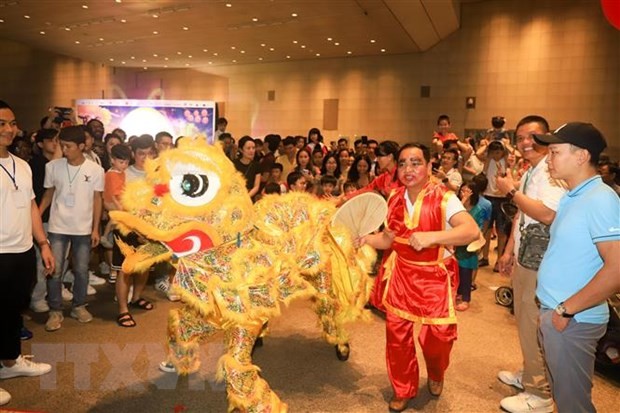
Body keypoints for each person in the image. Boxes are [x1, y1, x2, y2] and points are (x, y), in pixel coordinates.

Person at [357, 143, 479, 412]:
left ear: (428, 166)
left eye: (415, 162)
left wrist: (433, 237)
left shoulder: (445, 198)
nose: (408, 169)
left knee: (438, 338)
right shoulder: (394, 199)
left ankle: (436, 372)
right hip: (401, 273)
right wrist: (365, 239)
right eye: (402, 164)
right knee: (397, 336)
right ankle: (403, 388)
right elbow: (388, 239)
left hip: (435, 276)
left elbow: (470, 230)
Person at [533, 122, 620, 413]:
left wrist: (565, 309)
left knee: (573, 404)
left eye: (555, 152)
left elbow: (617, 269)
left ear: (582, 156)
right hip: (559, 315)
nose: (548, 159)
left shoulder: (601, 200)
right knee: (564, 394)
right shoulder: (574, 196)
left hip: (573, 319)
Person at [495, 115, 566, 413]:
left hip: (541, 261)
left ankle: (539, 394)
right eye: (520, 137)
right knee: (523, 320)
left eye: (533, 136)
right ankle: (529, 375)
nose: (525, 142)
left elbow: (547, 214)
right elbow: (521, 216)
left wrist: (510, 191)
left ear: (547, 138)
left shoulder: (552, 173)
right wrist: (509, 250)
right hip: (526, 256)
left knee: (532, 322)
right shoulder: (531, 171)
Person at [0, 101, 55, 406]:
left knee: (12, 310)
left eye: (12, 123)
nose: (9, 129)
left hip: (21, 250)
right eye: (1, 123)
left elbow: (33, 205)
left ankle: (10, 362)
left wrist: (43, 243)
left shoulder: (21, 164)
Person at [233, 136, 261, 201]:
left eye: (253, 148)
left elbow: (256, 186)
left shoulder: (256, 165)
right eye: (248, 148)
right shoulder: (233, 164)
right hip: (235, 198)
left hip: (249, 198)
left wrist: (246, 197)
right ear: (241, 150)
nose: (251, 151)